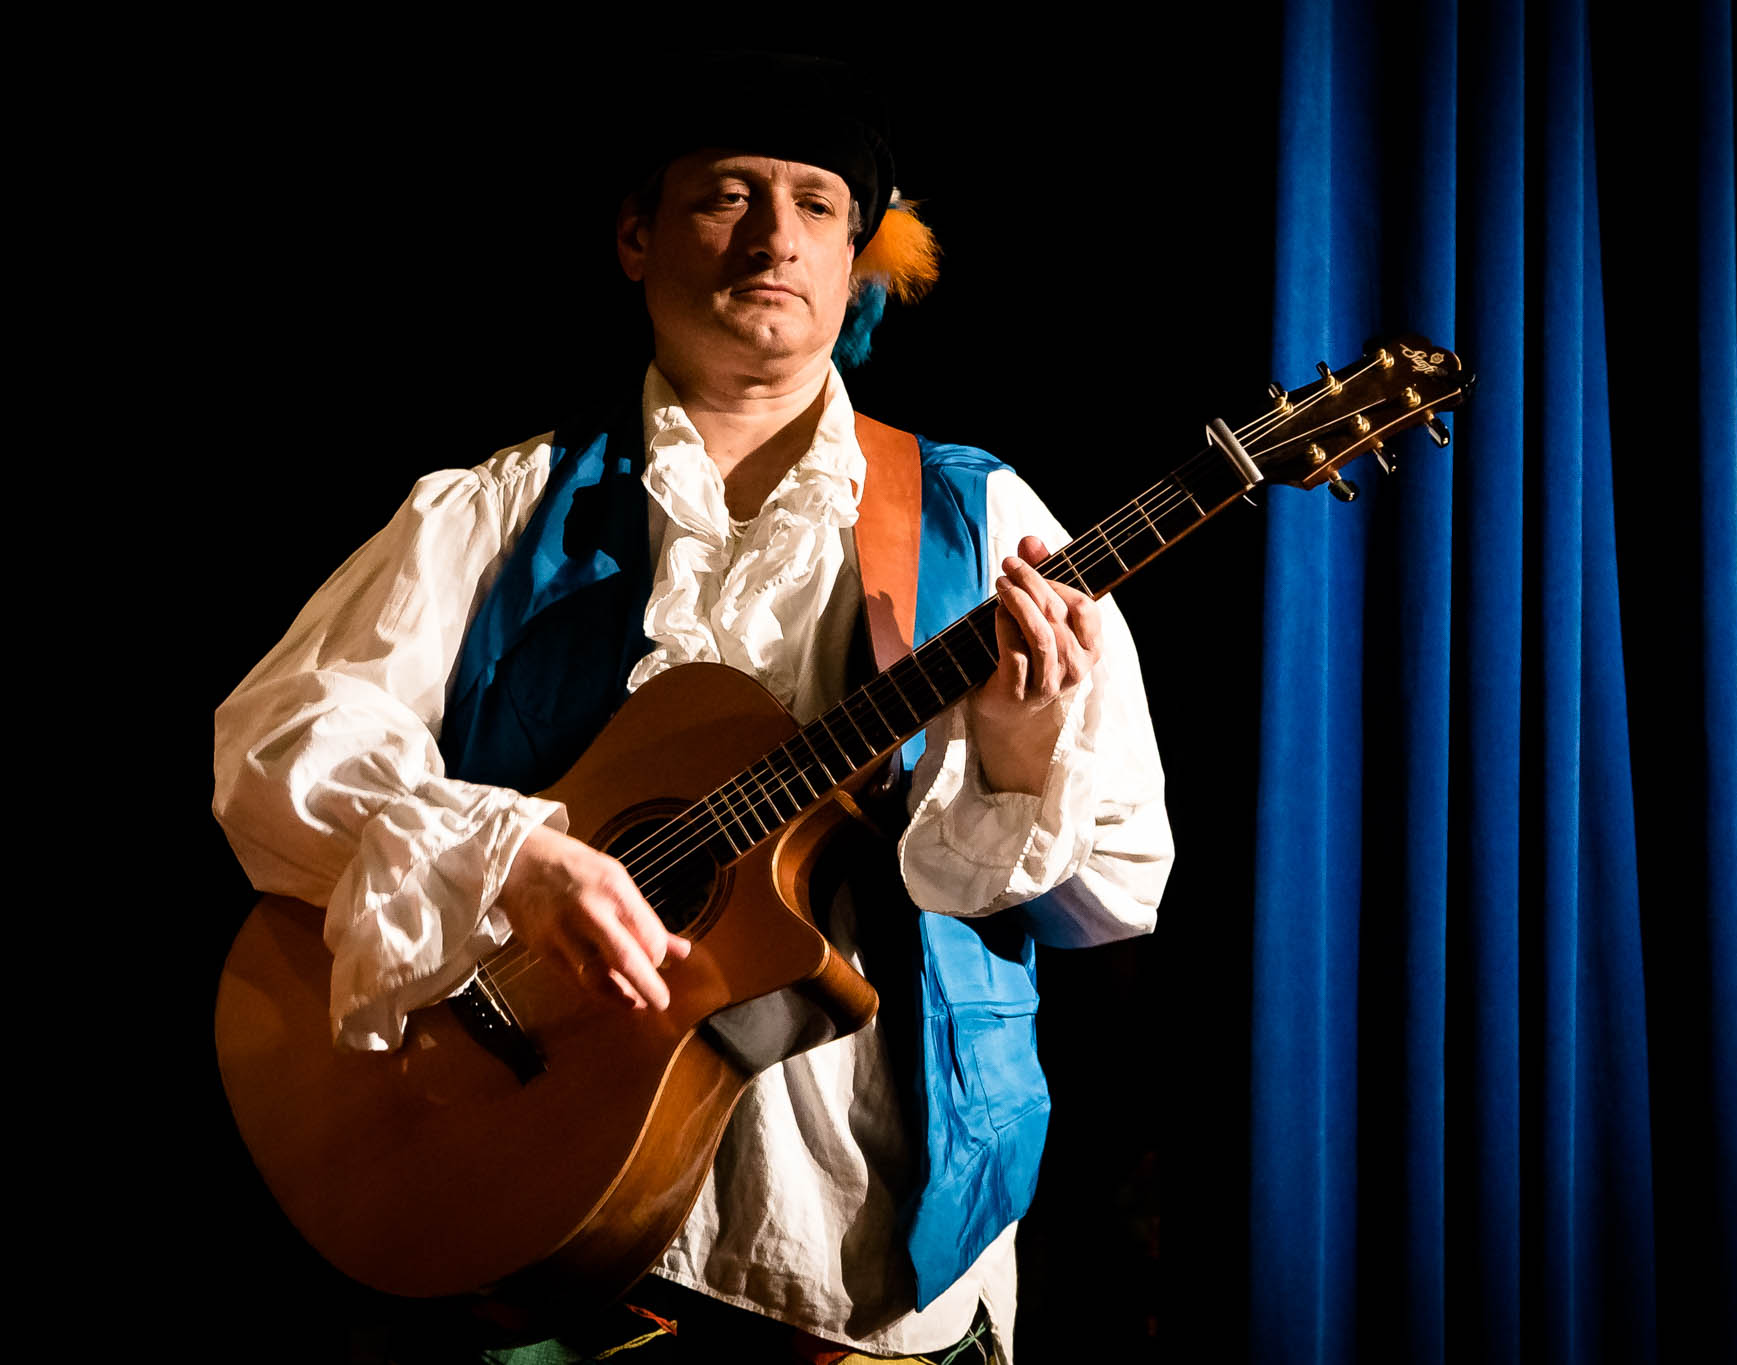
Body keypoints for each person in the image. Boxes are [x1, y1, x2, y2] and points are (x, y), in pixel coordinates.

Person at [212, 52, 1171, 1364]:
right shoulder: (498, 510)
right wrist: (517, 856)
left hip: (870, 1277)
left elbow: (1116, 887)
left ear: (859, 256)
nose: (775, 236)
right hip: (549, 1250)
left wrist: (1015, 744)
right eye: (728, 193)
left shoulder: (982, 525)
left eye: (818, 204)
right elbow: (274, 750)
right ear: (634, 234)